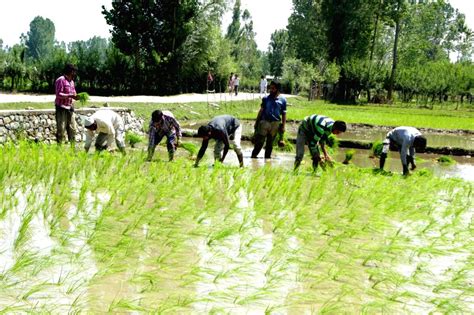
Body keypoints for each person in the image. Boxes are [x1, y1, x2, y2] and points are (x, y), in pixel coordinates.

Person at [251, 81, 287, 159]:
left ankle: (267, 159)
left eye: (273, 88)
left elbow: (284, 114)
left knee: (270, 144)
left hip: (275, 124)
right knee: (259, 142)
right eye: (270, 88)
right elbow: (261, 111)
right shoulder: (266, 99)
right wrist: (256, 123)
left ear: (277, 89)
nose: (271, 90)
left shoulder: (283, 100)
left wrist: (283, 126)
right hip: (264, 122)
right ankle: (253, 157)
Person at [55, 63, 79, 144]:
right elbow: (58, 94)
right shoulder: (61, 80)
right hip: (61, 108)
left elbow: (74, 93)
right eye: (73, 71)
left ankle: (73, 149)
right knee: (61, 128)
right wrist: (70, 95)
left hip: (70, 108)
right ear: (70, 71)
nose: (74, 73)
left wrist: (76, 97)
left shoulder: (71, 82)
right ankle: (59, 148)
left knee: (73, 128)